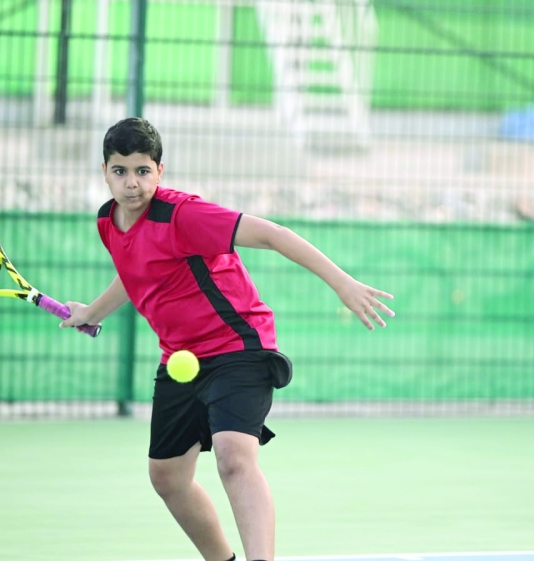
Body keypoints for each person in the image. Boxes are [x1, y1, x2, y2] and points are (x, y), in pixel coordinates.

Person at [59, 117, 394, 561]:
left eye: (143, 171)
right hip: (180, 358)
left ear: (160, 171)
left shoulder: (184, 216)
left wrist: (342, 283)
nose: (132, 183)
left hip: (238, 346)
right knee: (167, 477)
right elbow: (137, 271)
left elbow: (274, 235)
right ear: (105, 171)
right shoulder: (108, 221)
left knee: (234, 457)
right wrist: (94, 311)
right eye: (120, 171)